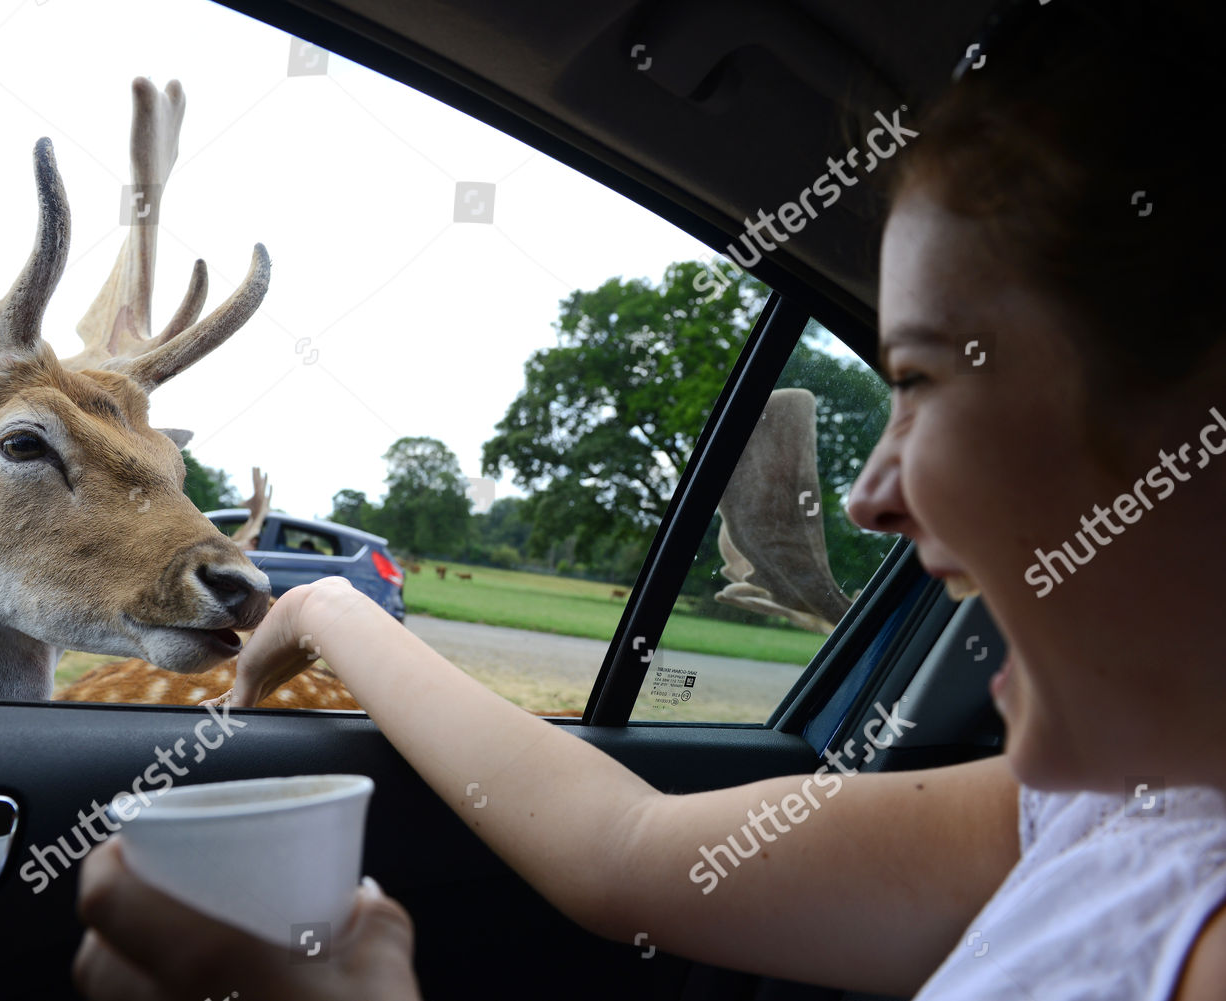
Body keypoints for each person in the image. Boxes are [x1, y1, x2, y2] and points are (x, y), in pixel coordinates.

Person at [71, 2, 1226, 998]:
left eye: (918, 378)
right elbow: (620, 845)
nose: (870, 496)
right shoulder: (1101, 813)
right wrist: (327, 609)